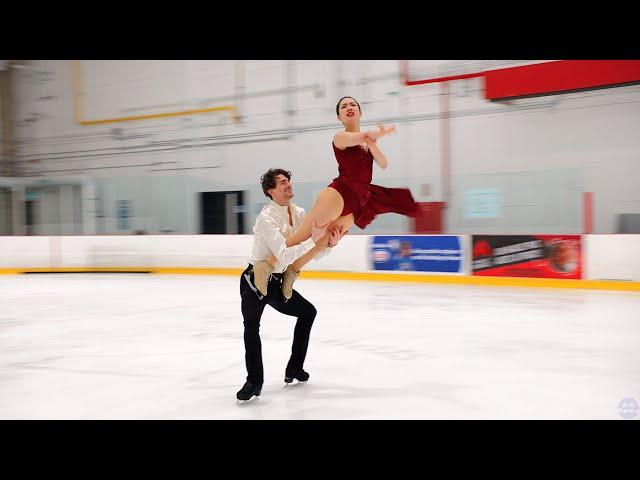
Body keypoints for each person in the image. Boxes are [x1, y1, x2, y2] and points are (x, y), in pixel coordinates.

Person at [252, 96, 419, 300]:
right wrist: (374, 134)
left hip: (360, 199)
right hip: (341, 192)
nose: (349, 107)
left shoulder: (367, 142)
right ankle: (266, 265)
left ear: (360, 111)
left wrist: (372, 142)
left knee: (324, 241)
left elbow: (383, 163)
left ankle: (291, 272)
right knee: (305, 233)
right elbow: (359, 137)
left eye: (353, 105)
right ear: (339, 116)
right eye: (343, 106)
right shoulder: (340, 136)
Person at [236, 168, 340, 401]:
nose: (288, 184)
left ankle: (294, 367)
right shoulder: (266, 218)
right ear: (271, 191)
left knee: (308, 313)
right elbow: (282, 254)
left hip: (278, 281)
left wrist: (327, 245)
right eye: (282, 182)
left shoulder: (301, 213)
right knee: (251, 328)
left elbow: (312, 251)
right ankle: (254, 381)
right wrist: (313, 240)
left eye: (289, 180)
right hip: (255, 281)